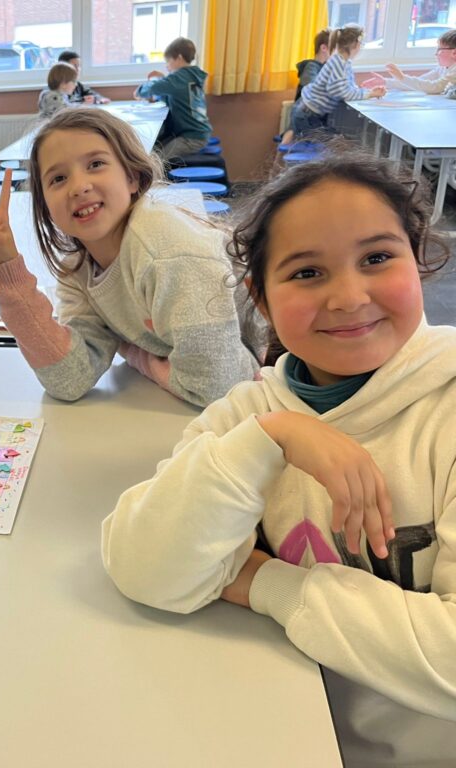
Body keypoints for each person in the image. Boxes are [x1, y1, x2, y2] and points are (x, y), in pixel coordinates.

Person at [103, 153, 456, 766]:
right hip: (262, 729)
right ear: (261, 301)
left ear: (419, 258)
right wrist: (271, 439)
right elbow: (143, 568)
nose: (348, 297)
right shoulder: (250, 415)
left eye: (376, 258)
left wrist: (267, 582)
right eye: (307, 272)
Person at [0, 108, 261, 408]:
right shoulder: (78, 270)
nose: (79, 187)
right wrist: (7, 274)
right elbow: (70, 378)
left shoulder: (169, 253)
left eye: (95, 164)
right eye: (58, 178)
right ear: (46, 208)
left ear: (132, 177)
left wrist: (138, 356)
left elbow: (218, 386)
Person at [292, 25, 386, 139]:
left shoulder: (344, 62)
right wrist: (370, 94)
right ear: (356, 44)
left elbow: (348, 87)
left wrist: (366, 91)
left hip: (311, 110)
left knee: (330, 140)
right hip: (308, 113)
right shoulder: (339, 63)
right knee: (327, 142)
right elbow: (342, 92)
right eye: (361, 44)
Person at [134, 37, 214, 161]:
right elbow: (172, 95)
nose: (167, 66)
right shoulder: (192, 75)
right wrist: (163, 80)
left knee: (155, 162)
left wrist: (139, 91)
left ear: (179, 58)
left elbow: (153, 88)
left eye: (168, 61)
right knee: (156, 150)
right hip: (199, 133)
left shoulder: (180, 77)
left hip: (191, 138)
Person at [280, 28, 331, 145]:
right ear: (324, 48)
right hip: (304, 112)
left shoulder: (326, 67)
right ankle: (283, 149)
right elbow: (311, 86)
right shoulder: (311, 66)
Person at [366, 28, 456, 95]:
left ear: (454, 53)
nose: (436, 54)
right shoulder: (441, 68)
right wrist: (386, 82)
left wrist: (402, 77)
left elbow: (435, 87)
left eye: (440, 49)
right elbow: (419, 82)